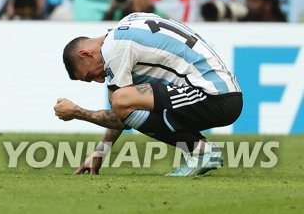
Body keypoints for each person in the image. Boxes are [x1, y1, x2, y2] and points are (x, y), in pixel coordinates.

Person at [56, 13, 242, 177]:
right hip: (223, 94)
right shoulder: (129, 23)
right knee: (126, 101)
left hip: (212, 96)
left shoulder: (114, 49)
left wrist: (76, 112)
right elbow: (125, 110)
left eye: (90, 76)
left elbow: (120, 112)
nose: (98, 80)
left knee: (121, 100)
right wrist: (101, 152)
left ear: (85, 54)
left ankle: (201, 152)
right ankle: (200, 151)